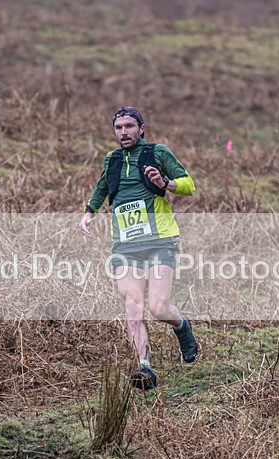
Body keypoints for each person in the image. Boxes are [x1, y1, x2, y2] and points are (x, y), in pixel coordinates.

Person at [79, 106, 198, 391]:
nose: (124, 132)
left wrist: (165, 183)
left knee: (157, 308)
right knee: (133, 307)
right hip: (126, 245)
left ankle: (182, 326)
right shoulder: (112, 159)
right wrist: (89, 212)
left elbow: (189, 185)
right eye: (119, 127)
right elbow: (102, 188)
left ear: (141, 128)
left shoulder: (157, 153)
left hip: (159, 241)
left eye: (129, 126)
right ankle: (144, 369)